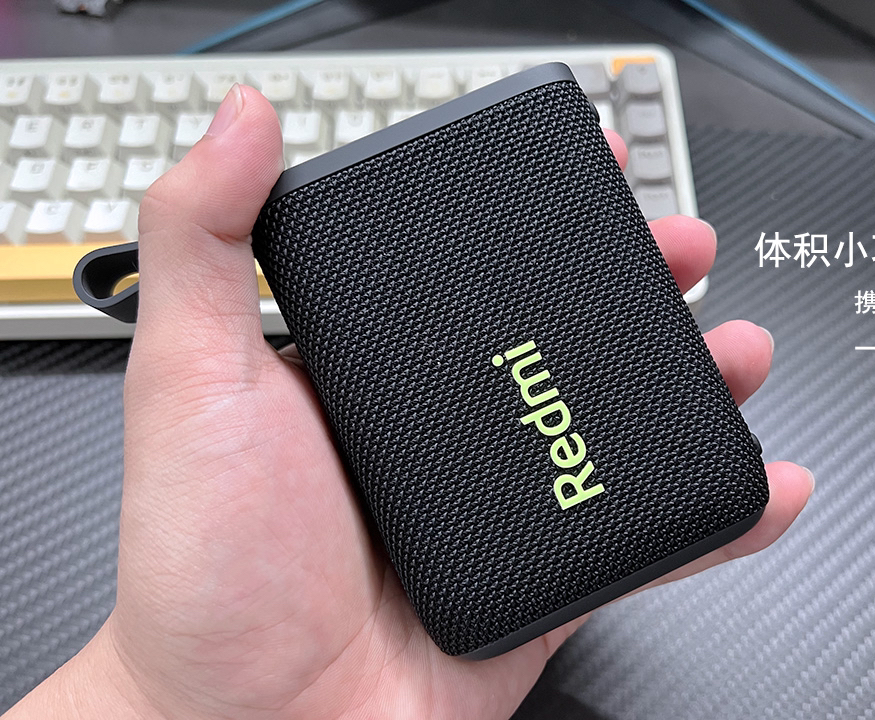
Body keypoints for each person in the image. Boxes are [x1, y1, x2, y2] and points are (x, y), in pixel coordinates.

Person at [2, 86, 813, 719]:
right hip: (446, 591)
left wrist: (156, 702)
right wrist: (157, 700)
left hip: (482, 579)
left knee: (689, 464)